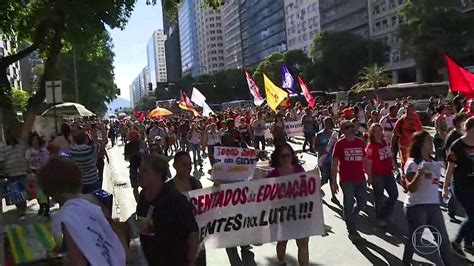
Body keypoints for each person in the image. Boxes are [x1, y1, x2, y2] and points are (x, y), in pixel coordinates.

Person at [37, 157, 125, 265]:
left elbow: (77, 260)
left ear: (52, 191)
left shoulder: (68, 216)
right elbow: (115, 234)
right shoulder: (96, 200)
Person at [136, 154, 199, 266]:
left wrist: (191, 260)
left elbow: (192, 231)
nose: (139, 173)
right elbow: (145, 229)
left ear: (158, 174)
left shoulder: (175, 199)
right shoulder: (143, 197)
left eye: (144, 170)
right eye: (139, 169)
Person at [402, 131, 452, 265]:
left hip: (433, 205)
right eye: (429, 141)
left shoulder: (434, 161)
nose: (432, 144)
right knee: (415, 240)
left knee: (443, 241)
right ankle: (406, 262)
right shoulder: (412, 163)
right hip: (417, 206)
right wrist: (419, 173)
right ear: (421, 144)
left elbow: (435, 181)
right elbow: (411, 188)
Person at [266, 143, 309, 266]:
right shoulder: (273, 174)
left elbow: (307, 187)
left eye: (288, 155)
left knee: (303, 244)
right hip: (282, 214)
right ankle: (282, 262)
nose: (286, 159)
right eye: (282, 156)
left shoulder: (299, 169)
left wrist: (316, 192)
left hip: (300, 212)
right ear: (277, 157)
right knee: (282, 242)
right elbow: (266, 195)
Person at [331, 120, 367, 243]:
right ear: (343, 131)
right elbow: (334, 163)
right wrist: (333, 182)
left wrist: (370, 174)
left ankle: (350, 216)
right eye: (347, 127)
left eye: (352, 126)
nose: (351, 129)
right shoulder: (340, 144)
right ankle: (351, 230)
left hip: (361, 178)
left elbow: (366, 159)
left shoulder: (361, 142)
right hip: (346, 179)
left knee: (362, 203)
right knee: (348, 203)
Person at [168, 151, 206, 266]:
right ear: (175, 165)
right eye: (184, 164)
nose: (188, 167)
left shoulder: (196, 183)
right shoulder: (168, 188)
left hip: (198, 239)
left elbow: (204, 206)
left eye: (190, 164)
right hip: (178, 241)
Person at [444, 117, 474, 256]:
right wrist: (445, 187)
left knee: (471, 216)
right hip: (461, 185)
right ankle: (457, 241)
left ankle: (468, 244)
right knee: (473, 216)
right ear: (470, 129)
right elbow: (449, 169)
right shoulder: (457, 145)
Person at [365, 124, 398, 228]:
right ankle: (380, 218)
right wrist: (369, 176)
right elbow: (369, 162)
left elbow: (389, 154)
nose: (379, 132)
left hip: (388, 173)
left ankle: (385, 213)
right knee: (379, 197)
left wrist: (394, 164)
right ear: (372, 133)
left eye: (380, 130)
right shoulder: (371, 146)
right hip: (377, 175)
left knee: (394, 194)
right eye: (376, 131)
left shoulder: (384, 142)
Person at [0, 130, 29, 214]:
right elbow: (2, 161)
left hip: (22, 172)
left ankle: (23, 208)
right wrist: (5, 172)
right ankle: (20, 208)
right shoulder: (3, 146)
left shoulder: (21, 144)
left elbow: (25, 155)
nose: (10, 136)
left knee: (23, 192)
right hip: (11, 174)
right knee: (15, 192)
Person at [25, 132, 50, 216]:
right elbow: (26, 162)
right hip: (33, 173)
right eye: (33, 140)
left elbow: (47, 162)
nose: (35, 141)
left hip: (42, 173)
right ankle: (41, 206)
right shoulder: (28, 152)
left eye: (36, 140)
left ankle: (47, 208)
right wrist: (30, 171)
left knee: (44, 191)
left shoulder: (44, 151)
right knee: (37, 192)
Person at [314, 117, 338, 204]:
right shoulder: (319, 135)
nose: (327, 124)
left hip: (332, 160)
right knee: (324, 178)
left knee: (332, 178)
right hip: (323, 160)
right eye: (326, 122)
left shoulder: (334, 134)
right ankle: (316, 189)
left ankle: (333, 196)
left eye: (329, 122)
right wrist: (322, 150)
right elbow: (315, 147)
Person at [393, 102, 423, 169]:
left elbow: (420, 129)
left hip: (415, 143)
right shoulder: (402, 119)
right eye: (408, 110)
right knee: (405, 162)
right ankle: (405, 176)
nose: (410, 112)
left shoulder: (416, 117)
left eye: (412, 109)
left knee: (416, 161)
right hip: (405, 144)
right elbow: (395, 131)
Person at [125, 130, 145, 202]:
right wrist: (135, 153)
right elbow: (126, 158)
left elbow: (126, 158)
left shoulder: (140, 143)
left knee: (136, 187)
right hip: (139, 167)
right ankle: (140, 202)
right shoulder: (140, 143)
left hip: (139, 166)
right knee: (139, 186)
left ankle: (139, 202)